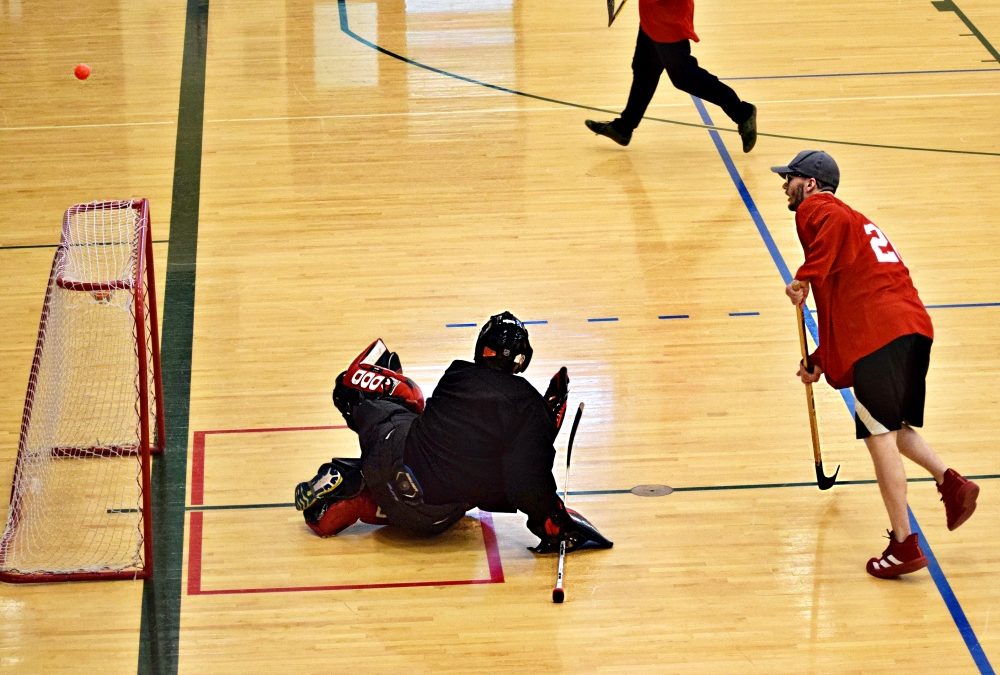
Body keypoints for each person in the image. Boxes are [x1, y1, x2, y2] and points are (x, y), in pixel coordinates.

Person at [775, 150, 980, 579]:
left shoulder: (820, 209)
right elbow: (842, 305)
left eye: (791, 178)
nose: (785, 186)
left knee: (877, 435)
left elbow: (827, 242)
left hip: (879, 333)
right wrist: (819, 360)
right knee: (894, 426)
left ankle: (904, 544)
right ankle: (950, 482)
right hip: (910, 329)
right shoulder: (856, 223)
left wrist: (803, 276)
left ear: (810, 183)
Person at [294, 311, 613, 557]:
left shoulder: (456, 374)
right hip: (431, 518)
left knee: (404, 403)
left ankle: (352, 458)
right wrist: (555, 522)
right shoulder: (527, 406)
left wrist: (541, 422)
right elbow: (523, 478)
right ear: (521, 359)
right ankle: (348, 497)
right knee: (429, 490)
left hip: (390, 460)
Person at [585, 0, 757, 152]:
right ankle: (624, 127)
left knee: (684, 77)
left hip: (668, 20)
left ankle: (743, 113)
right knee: (644, 70)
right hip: (652, 17)